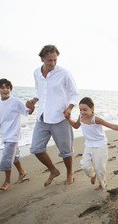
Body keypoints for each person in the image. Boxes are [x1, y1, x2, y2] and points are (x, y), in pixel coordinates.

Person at [26, 45, 79, 186]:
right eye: (49, 60)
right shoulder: (37, 73)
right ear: (42, 58)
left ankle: (69, 173)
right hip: (42, 117)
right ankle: (53, 170)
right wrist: (33, 101)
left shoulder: (64, 73)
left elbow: (75, 94)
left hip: (60, 117)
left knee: (66, 151)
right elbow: (40, 91)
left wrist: (69, 107)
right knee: (36, 149)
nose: (53, 63)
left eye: (55, 60)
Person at [66, 97, 118, 190]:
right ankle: (93, 175)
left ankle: (102, 183)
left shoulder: (96, 119)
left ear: (92, 109)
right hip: (89, 145)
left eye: (85, 110)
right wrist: (68, 118)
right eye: (80, 109)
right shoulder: (81, 117)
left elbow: (112, 126)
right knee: (85, 165)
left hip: (100, 145)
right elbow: (76, 126)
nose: (82, 112)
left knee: (100, 169)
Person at [0, 78, 32, 191]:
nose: (5, 90)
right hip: (5, 133)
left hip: (13, 134)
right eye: (3, 87)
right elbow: (1, 115)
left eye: (8, 87)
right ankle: (22, 172)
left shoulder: (16, 101)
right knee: (14, 157)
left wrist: (32, 106)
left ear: (10, 89)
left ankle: (7, 181)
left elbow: (27, 111)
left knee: (6, 158)